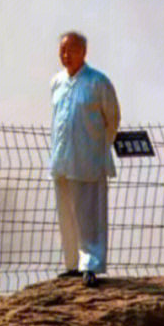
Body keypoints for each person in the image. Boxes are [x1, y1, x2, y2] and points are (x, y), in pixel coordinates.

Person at [49, 31, 121, 288]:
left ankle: (90, 265)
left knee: (88, 215)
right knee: (66, 214)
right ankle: (72, 265)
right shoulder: (56, 83)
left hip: (87, 160)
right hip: (61, 160)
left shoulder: (97, 82)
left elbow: (112, 118)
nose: (65, 56)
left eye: (71, 50)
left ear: (83, 52)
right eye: (62, 51)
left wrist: (99, 147)